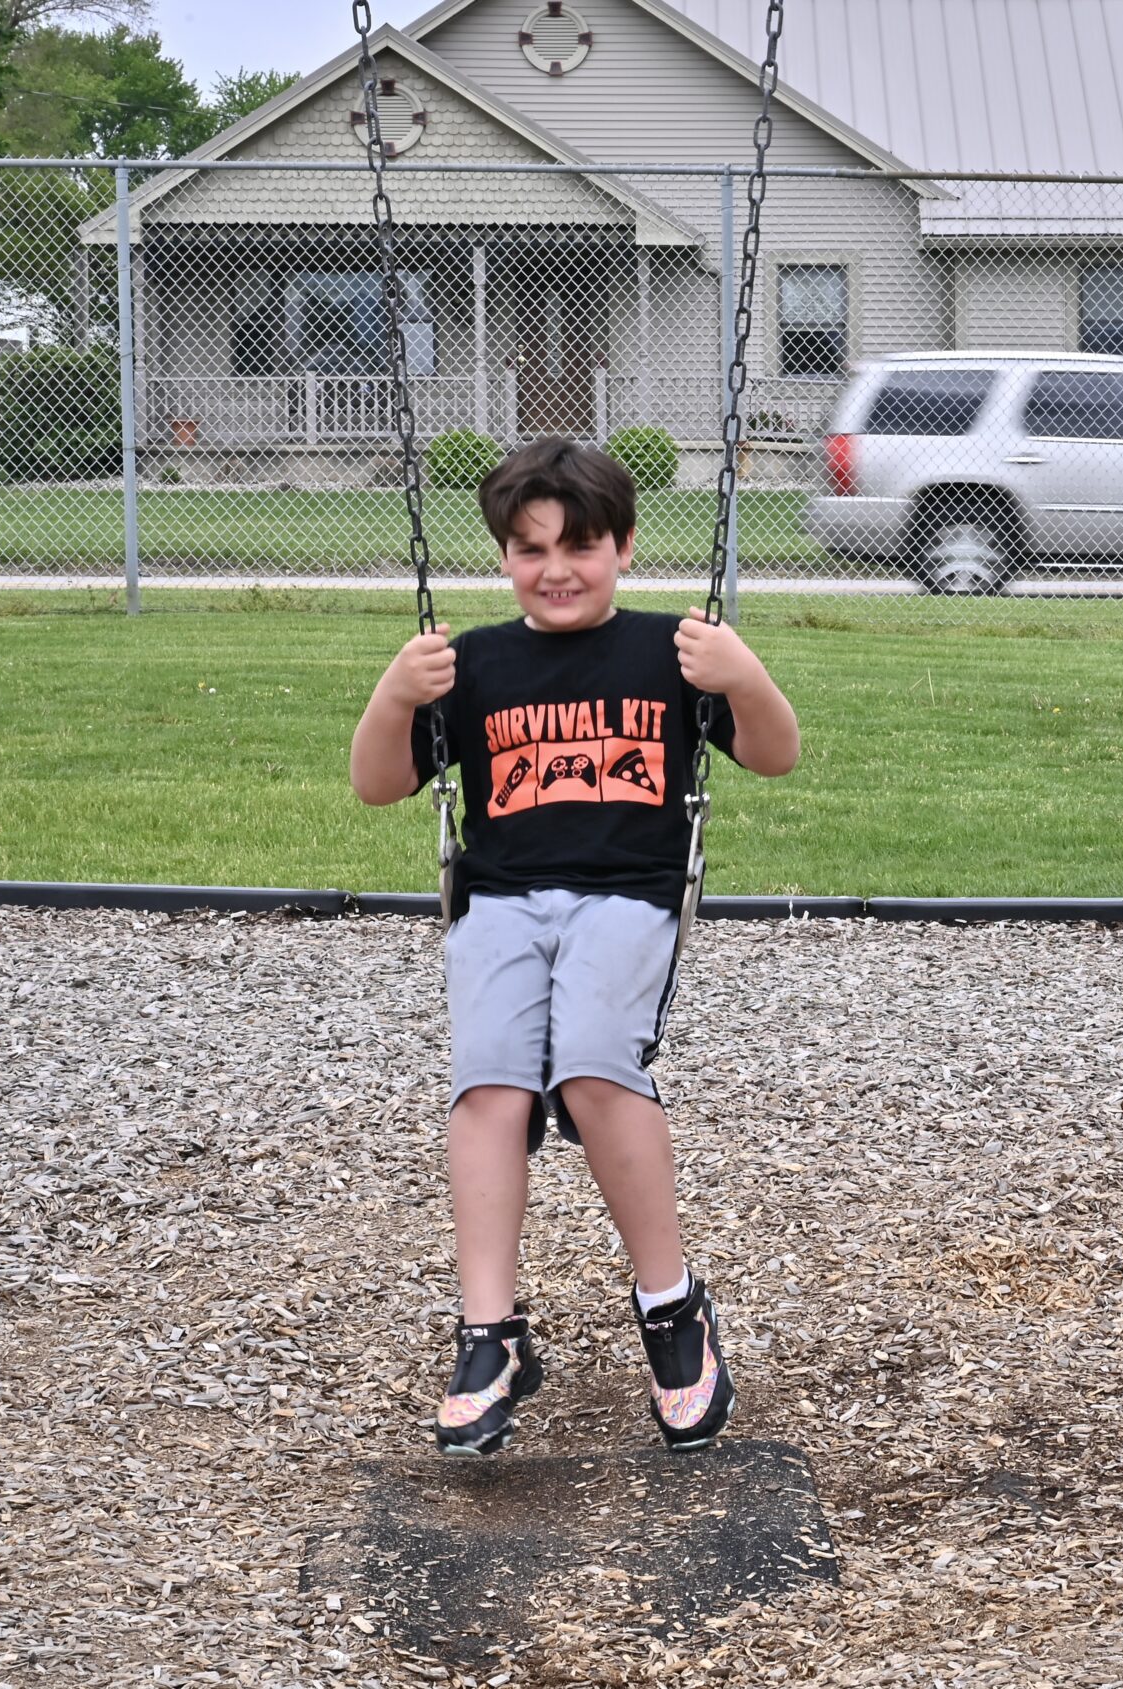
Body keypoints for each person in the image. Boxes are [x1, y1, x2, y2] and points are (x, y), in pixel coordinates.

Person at [349, 436, 800, 1456]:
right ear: (505, 556)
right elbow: (377, 785)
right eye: (530, 549)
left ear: (625, 547)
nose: (556, 569)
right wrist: (394, 694)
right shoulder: (473, 665)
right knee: (489, 1088)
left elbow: (775, 755)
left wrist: (744, 675)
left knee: (594, 1069)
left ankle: (672, 1308)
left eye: (580, 546)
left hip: (626, 898)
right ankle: (490, 1334)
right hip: (501, 902)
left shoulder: (671, 652)